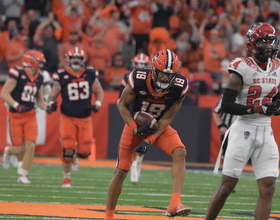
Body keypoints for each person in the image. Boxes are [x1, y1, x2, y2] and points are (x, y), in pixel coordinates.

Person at [104, 49, 192, 220]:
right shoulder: (138, 79)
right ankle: (108, 216)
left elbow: (167, 118)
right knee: (122, 171)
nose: (166, 78)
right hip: (135, 125)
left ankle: (174, 203)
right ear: (153, 69)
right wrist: (134, 128)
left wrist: (150, 138)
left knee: (180, 152)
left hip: (158, 125)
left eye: (170, 75)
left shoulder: (180, 86)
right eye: (162, 74)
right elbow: (121, 105)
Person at [205, 22, 280, 220]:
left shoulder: (278, 66)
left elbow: (276, 95)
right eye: (264, 42)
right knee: (226, 187)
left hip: (266, 131)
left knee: (268, 187)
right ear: (252, 45)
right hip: (243, 129)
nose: (268, 47)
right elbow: (227, 104)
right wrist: (257, 108)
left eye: (271, 42)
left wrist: (276, 105)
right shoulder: (242, 67)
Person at [47, 47, 104, 188]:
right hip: (67, 117)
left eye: (78, 58)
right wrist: (50, 102)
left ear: (82, 60)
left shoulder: (90, 73)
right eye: (74, 58)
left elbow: (99, 92)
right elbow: (53, 93)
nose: (76, 60)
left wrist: (97, 103)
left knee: (85, 152)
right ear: (69, 60)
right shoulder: (62, 75)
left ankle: (75, 157)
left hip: (85, 117)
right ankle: (66, 178)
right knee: (68, 147)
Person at [1, 50, 48, 183]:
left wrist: (48, 107)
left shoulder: (39, 77)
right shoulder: (18, 73)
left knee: (31, 145)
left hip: (30, 115)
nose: (40, 65)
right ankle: (8, 151)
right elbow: (4, 93)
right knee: (18, 148)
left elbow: (39, 100)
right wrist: (16, 105)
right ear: (31, 61)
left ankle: (23, 173)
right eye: (39, 62)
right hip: (15, 115)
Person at [119, 53, 150, 183]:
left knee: (144, 141)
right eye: (139, 65)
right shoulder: (128, 77)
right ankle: (125, 163)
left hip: (146, 112)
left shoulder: (151, 78)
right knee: (128, 143)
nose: (141, 67)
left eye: (143, 65)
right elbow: (122, 99)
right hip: (132, 113)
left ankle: (138, 162)